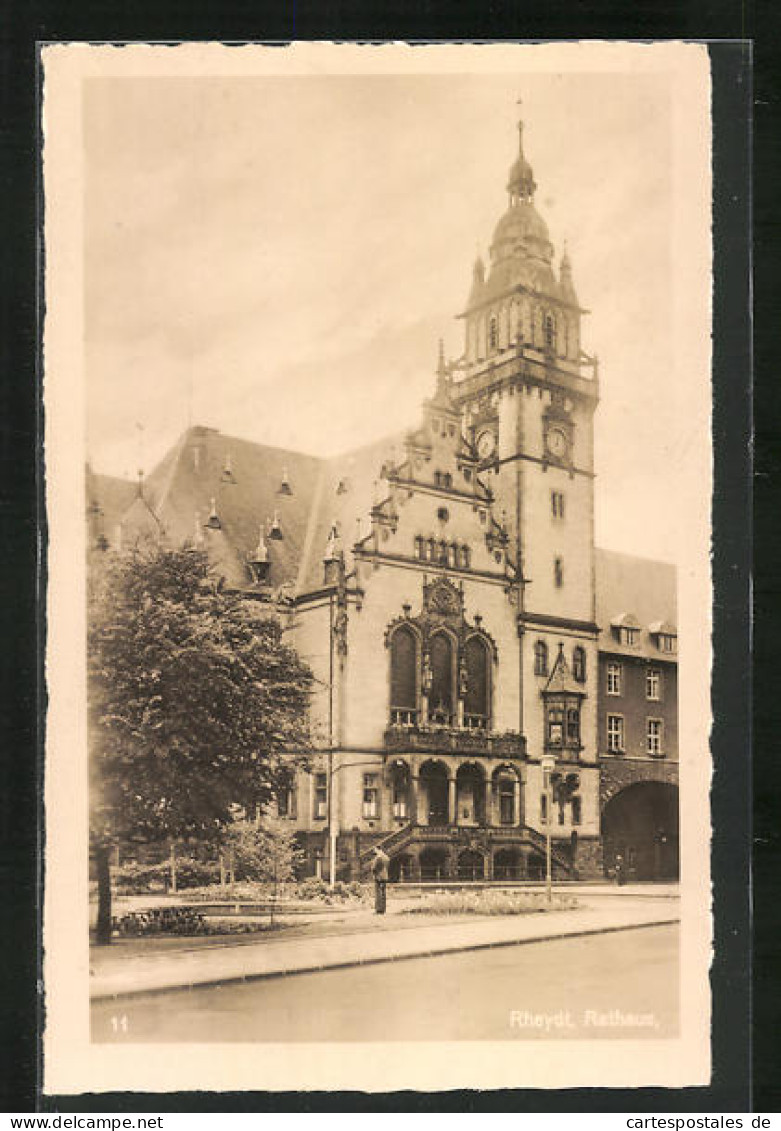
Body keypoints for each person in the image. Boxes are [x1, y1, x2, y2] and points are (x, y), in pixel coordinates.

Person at [371, 847, 390, 914]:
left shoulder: (378, 857)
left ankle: (378, 909)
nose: (374, 851)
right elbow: (387, 866)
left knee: (378, 893)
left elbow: (374, 868)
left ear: (377, 849)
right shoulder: (386, 857)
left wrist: (374, 873)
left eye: (375, 850)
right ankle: (383, 909)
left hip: (379, 877)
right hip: (384, 876)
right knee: (383, 893)